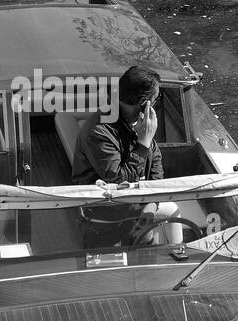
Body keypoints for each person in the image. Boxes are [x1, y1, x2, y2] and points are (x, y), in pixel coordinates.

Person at [71, 66, 182, 244]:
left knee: (171, 213)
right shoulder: (98, 132)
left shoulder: (138, 122)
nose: (155, 104)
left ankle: (177, 254)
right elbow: (119, 182)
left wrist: (151, 206)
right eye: (155, 99)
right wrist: (143, 142)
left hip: (137, 209)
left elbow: (156, 172)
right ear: (144, 102)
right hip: (105, 220)